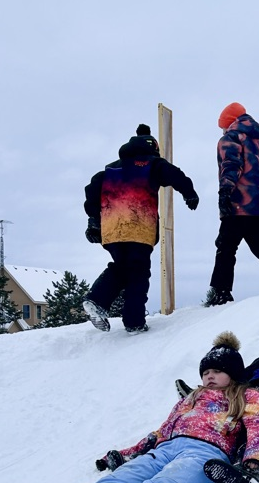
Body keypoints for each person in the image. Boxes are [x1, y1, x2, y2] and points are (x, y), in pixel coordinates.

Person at [0, 332, 259, 483]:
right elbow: (160, 433)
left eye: (216, 371)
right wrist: (126, 454)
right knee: (119, 481)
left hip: (204, 453)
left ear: (233, 374)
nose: (209, 376)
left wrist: (252, 464)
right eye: (205, 372)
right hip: (165, 449)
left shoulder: (247, 397)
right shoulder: (190, 399)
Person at [83, 125, 199, 333]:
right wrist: (189, 192)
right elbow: (174, 174)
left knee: (122, 266)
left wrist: (93, 220)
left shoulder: (111, 169)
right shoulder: (152, 164)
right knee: (138, 272)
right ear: (152, 148)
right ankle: (134, 321)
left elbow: (92, 188)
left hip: (111, 229)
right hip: (138, 226)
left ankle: (97, 300)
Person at [203, 103, 259, 307]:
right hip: (258, 204)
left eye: (223, 126)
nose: (223, 130)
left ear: (229, 122)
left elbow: (231, 165)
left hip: (238, 202)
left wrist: (225, 192)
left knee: (225, 246)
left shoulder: (231, 138)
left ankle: (220, 292)